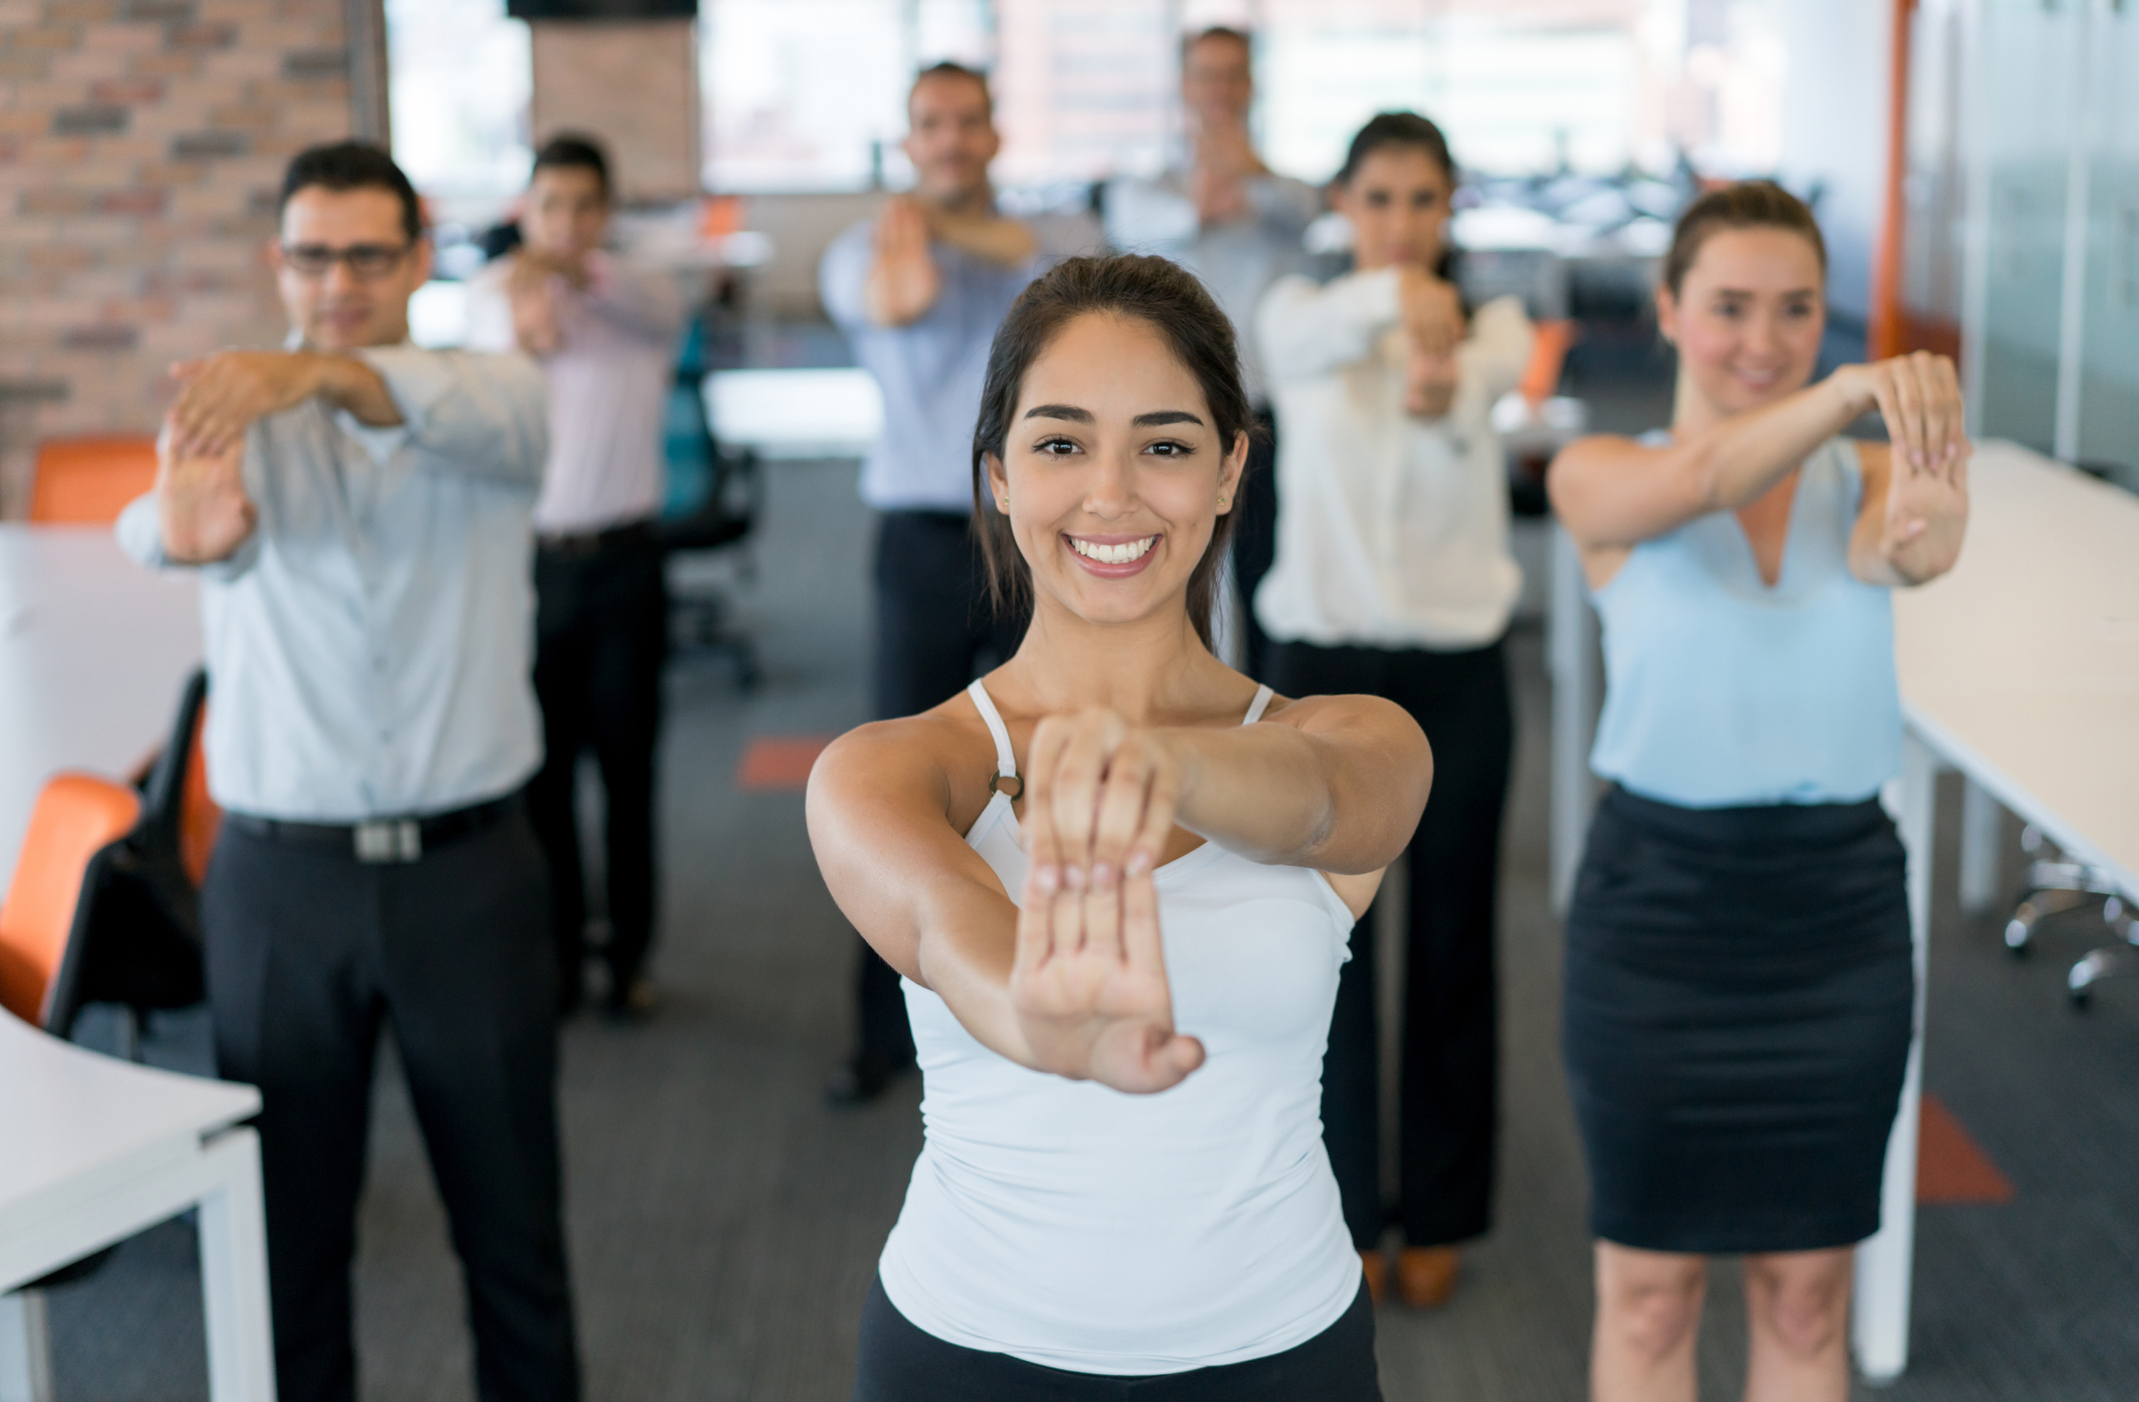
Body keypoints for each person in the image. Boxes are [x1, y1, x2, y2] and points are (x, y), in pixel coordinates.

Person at [806, 253, 1430, 1401]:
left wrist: (1154, 760)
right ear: (995, 475)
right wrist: (1054, 1031)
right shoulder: (896, 767)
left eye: (1165, 443)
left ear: (1233, 466)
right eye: (1059, 443)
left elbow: (1335, 804)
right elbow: (951, 930)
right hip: (966, 1353)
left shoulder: (1356, 734)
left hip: (1281, 1355)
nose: (1111, 493)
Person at [116, 141, 577, 1402]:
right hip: (282, 885)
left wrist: (304, 371)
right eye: (313, 255)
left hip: (470, 879)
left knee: (514, 1240)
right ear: (280, 259)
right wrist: (178, 531)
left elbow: (457, 409)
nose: (339, 279)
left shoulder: (496, 392)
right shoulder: (227, 411)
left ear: (420, 259)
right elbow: (144, 522)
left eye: (369, 254)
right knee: (287, 1252)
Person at [1548, 181, 1969, 1402]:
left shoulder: (1872, 476)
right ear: (1669, 310)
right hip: (1655, 914)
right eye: (1730, 305)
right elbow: (1703, 484)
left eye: (1797, 309)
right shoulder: (1599, 473)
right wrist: (1846, 388)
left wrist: (1930, 532)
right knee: (1648, 1290)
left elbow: (1913, 545)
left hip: (1835, 914)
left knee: (1806, 1291)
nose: (1766, 338)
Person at [1253, 110, 1533, 1308]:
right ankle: (1341, 1209)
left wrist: (1434, 358)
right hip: (1320, 666)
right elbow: (1300, 345)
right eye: (1380, 199)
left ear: (1453, 206)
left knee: (1455, 942)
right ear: (1343, 202)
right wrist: (1392, 299)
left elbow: (1457, 394)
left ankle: (1444, 1205)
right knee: (1326, 949)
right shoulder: (1295, 312)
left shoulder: (1499, 330)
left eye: (1425, 202)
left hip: (1458, 670)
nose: (1403, 223)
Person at [818, 60, 1099, 1103]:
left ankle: (1058, 993)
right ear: (910, 138)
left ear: (992, 135)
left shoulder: (1048, 240)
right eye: (930, 123)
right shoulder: (865, 251)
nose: (949, 139)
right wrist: (930, 239)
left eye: (965, 122)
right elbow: (900, 295)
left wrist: (951, 230)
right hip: (925, 543)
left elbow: (1069, 267)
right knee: (896, 786)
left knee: (1059, 772)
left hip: (1039, 543)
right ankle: (881, 1030)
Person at [466, 132, 690, 1019]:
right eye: (548, 206)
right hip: (531, 567)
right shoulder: (489, 299)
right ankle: (556, 954)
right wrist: (526, 311)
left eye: (582, 208)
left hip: (626, 565)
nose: (563, 224)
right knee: (543, 778)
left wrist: (571, 279)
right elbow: (489, 373)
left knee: (629, 774)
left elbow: (649, 306)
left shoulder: (640, 296)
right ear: (526, 210)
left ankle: (628, 958)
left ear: (604, 215)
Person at [1103, 25, 1320, 679]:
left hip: (1264, 414)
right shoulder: (1146, 191)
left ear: (1251, 85)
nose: (1219, 91)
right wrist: (1198, 205)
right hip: (1168, 420)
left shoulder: (1282, 192)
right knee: (1170, 578)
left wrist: (1247, 180)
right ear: (1183, 87)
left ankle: (1268, 740)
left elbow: (1309, 214)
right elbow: (1131, 222)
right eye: (1206, 75)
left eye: (1232, 75)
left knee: (1269, 580)